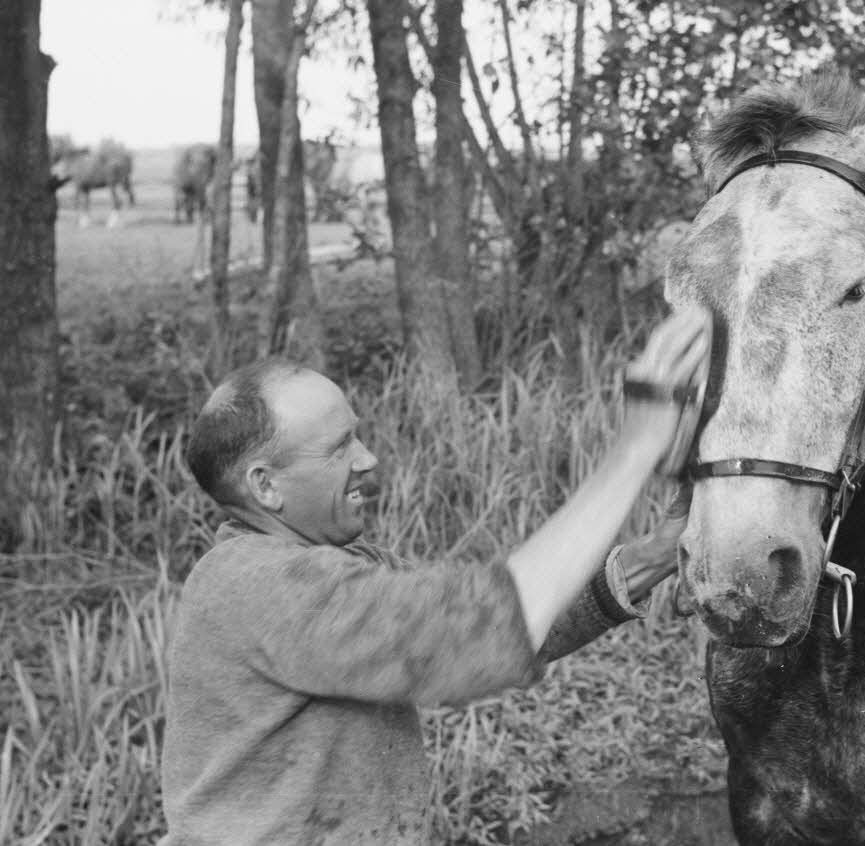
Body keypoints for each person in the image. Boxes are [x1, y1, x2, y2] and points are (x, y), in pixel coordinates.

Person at [159, 306, 712, 845]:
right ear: (265, 486)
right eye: (338, 448)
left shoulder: (344, 569)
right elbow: (477, 631)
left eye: (357, 436)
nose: (368, 459)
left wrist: (654, 557)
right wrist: (633, 451)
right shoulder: (251, 585)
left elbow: (508, 627)